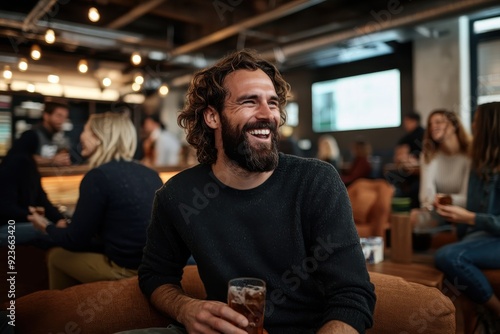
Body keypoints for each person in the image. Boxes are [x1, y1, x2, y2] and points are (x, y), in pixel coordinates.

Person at [137, 50, 375, 334]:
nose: (267, 114)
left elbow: (352, 295)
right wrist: (185, 308)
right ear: (212, 116)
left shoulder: (316, 181)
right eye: (250, 101)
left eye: (272, 103)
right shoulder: (177, 194)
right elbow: (155, 275)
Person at [29, 112, 163, 290]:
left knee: (56, 256)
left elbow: (74, 241)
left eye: (86, 131)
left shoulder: (98, 176)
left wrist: (46, 226)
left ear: (99, 138)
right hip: (157, 268)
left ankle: (62, 312)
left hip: (128, 271)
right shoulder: (151, 173)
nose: (81, 136)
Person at [434, 102, 500, 332]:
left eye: (476, 121)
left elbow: (477, 216)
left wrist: (470, 218)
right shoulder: (477, 164)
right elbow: (473, 209)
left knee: (447, 256)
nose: (471, 125)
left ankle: (496, 311)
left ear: (489, 127)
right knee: (446, 257)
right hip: (481, 236)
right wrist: (452, 212)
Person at [0, 135, 66, 247]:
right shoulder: (19, 165)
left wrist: (59, 219)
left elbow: (42, 200)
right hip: (5, 229)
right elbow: (5, 207)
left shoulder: (23, 165)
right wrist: (32, 215)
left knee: (48, 229)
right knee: (44, 230)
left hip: (14, 226)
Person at [419, 109, 471, 211]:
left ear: (453, 126)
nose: (433, 126)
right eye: (430, 124)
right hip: (438, 211)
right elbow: (425, 197)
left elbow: (468, 198)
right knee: (413, 217)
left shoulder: (469, 155)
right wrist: (443, 201)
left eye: (439, 122)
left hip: (465, 213)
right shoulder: (428, 155)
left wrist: (442, 199)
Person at [14, 101, 71, 167]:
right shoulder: (31, 135)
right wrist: (52, 160)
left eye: (65, 117)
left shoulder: (57, 137)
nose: (62, 121)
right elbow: (21, 158)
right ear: (46, 116)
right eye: (59, 116)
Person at [392, 111, 425, 209]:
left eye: (406, 121)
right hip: (413, 175)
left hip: (415, 176)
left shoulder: (410, 138)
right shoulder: (424, 134)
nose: (404, 124)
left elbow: (398, 157)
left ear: (413, 121)